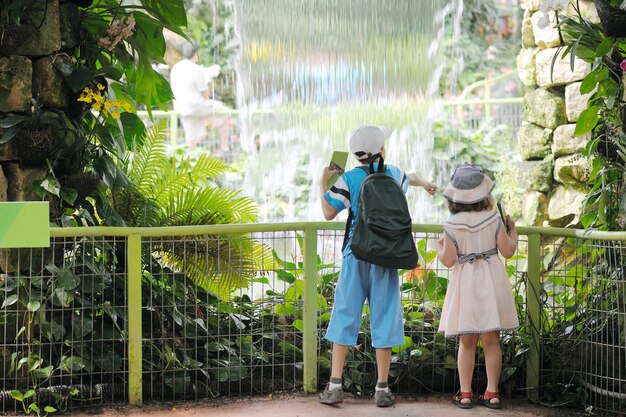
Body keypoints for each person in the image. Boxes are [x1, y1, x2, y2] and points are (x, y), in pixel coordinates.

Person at [318, 124, 438, 407]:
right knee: (385, 316)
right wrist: (427, 184)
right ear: (381, 150)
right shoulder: (394, 174)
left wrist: (323, 182)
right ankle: (382, 388)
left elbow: (327, 212)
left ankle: (335, 386)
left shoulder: (349, 179)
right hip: (387, 257)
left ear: (357, 154)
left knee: (346, 313)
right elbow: (412, 176)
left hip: (355, 255)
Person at [436, 163, 519, 410]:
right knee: (492, 340)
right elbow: (508, 251)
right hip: (491, 282)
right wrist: (512, 230)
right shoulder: (493, 218)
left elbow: (449, 260)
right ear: (485, 193)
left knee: (467, 341)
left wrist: (441, 246)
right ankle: (492, 393)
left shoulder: (451, 225)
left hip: (466, 284)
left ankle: (465, 393)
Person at [169, 41, 232, 151]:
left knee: (191, 138)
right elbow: (205, 93)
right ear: (196, 53)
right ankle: (225, 149)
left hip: (181, 108)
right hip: (196, 105)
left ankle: (190, 160)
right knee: (224, 113)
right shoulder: (196, 69)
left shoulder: (176, 68)